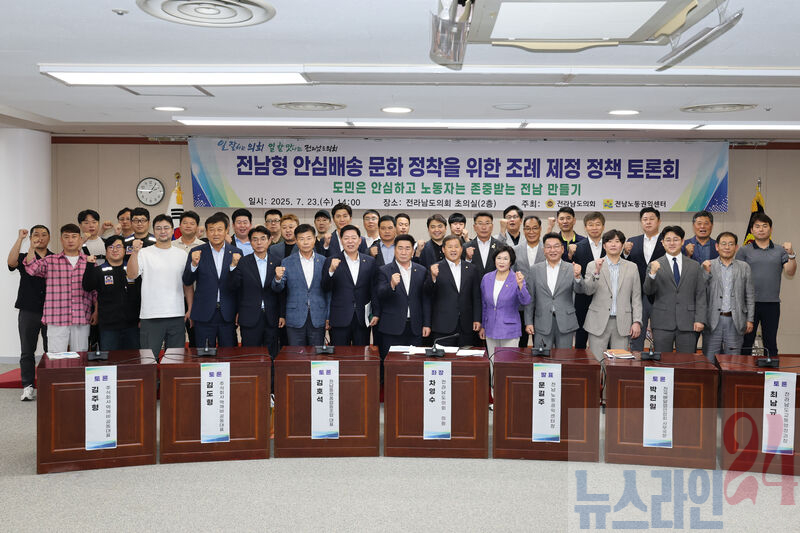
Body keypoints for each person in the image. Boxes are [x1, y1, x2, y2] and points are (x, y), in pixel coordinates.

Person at [24, 223, 97, 353]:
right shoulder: (50, 260)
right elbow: (31, 268)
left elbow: (95, 291)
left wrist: (96, 311)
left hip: (81, 316)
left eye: (74, 236)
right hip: (56, 317)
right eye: (66, 237)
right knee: (56, 358)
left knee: (80, 357)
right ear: (61, 240)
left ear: (80, 239)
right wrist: (32, 248)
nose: (70, 240)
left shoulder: (89, 261)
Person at [127, 215, 192, 359]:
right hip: (151, 316)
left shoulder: (182, 254)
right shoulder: (144, 253)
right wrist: (135, 252)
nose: (163, 231)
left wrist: (190, 308)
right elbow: (131, 274)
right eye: (158, 228)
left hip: (176, 315)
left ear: (173, 230)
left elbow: (187, 284)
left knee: (175, 360)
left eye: (166, 228)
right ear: (154, 231)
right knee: (148, 360)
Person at [575, 230, 642, 361]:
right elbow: (588, 291)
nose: (613, 244)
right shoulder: (593, 265)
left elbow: (636, 297)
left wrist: (637, 321)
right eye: (609, 241)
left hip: (622, 322)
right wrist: (597, 272)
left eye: (617, 241)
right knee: (596, 362)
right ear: (604, 245)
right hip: (597, 321)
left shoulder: (632, 267)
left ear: (622, 245)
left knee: (620, 364)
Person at [736, 212, 796, 357]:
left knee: (770, 343)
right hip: (748, 304)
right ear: (752, 230)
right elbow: (737, 276)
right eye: (757, 226)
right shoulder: (744, 250)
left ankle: (771, 370)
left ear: (771, 229)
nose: (761, 229)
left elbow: (790, 271)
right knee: (746, 342)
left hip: (771, 303)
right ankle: (743, 371)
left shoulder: (780, 250)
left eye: (765, 226)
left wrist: (791, 254)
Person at [643, 226, 706, 353]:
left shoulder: (694, 266)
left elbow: (700, 294)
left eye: (676, 239)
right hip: (662, 323)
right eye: (668, 240)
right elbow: (648, 291)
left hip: (688, 323)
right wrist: (652, 274)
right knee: (662, 361)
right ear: (662, 243)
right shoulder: (654, 264)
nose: (672, 243)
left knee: (687, 362)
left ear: (682, 242)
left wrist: (700, 319)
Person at [183, 212, 242, 348]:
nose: (216, 233)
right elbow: (187, 280)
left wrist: (239, 310)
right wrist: (194, 265)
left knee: (228, 355)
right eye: (212, 230)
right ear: (206, 232)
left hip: (228, 314)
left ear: (227, 231)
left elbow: (239, 285)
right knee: (205, 355)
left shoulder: (236, 253)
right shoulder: (197, 252)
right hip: (204, 313)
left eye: (219, 229)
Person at [8, 225, 51, 401]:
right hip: (28, 309)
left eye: (44, 234)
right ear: (31, 238)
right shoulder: (24, 257)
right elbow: (11, 263)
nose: (40, 237)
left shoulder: (55, 258)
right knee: (27, 350)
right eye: (36, 235)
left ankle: (48, 384)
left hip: (51, 310)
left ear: (49, 238)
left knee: (51, 350)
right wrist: (21, 239)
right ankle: (28, 386)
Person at [228, 225, 284, 357]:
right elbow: (234, 287)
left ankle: (271, 372)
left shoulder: (277, 262)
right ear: (250, 242)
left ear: (269, 240)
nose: (259, 243)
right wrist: (232, 267)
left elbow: (282, 292)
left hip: (272, 316)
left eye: (263, 239)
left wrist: (282, 314)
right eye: (255, 239)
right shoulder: (243, 262)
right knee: (250, 355)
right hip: (249, 316)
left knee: (272, 354)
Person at [272, 224, 330, 346]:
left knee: (316, 353)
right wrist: (277, 278)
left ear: (314, 239)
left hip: (318, 315)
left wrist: (328, 316)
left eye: (309, 238)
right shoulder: (287, 262)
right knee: (295, 354)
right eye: (301, 239)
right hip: (295, 316)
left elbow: (328, 291)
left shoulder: (324, 261)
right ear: (296, 241)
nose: (306, 242)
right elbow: (278, 288)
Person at [322, 225, 379, 345]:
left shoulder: (370, 261)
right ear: (341, 240)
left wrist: (376, 313)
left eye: (353, 238)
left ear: (360, 240)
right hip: (339, 317)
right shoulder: (331, 261)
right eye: (346, 238)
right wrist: (331, 270)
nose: (350, 241)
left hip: (362, 318)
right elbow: (325, 287)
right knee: (340, 353)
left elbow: (373, 290)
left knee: (361, 353)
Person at [702, 232, 754, 359]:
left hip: (735, 320)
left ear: (736, 247)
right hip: (713, 320)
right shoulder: (708, 265)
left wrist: (750, 319)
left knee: (733, 360)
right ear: (717, 247)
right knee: (710, 359)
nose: (727, 247)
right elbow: (700, 292)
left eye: (731, 244)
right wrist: (706, 273)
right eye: (723, 244)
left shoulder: (744, 267)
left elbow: (750, 295)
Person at [82, 235, 139, 350]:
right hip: (108, 327)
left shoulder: (132, 269)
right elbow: (87, 287)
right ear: (106, 251)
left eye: (118, 247)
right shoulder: (99, 270)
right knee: (110, 359)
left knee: (133, 359)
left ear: (124, 250)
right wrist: (89, 265)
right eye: (111, 247)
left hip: (132, 325)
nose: (115, 250)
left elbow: (140, 295)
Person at [424, 235, 481, 347]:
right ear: (443, 249)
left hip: (466, 325)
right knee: (443, 357)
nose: (453, 250)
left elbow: (476, 297)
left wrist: (477, 319)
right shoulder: (435, 268)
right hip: (443, 326)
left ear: (462, 249)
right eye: (450, 247)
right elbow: (427, 294)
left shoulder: (471, 269)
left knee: (466, 356)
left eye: (456, 246)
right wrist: (433, 278)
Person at [376, 234, 427, 357]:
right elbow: (379, 295)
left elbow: (425, 300)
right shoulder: (384, 270)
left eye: (407, 248)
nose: (403, 252)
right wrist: (391, 285)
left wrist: (427, 324)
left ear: (413, 251)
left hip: (415, 327)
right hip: (392, 327)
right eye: (400, 248)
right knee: (391, 363)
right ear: (395, 250)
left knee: (415, 363)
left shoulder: (422, 270)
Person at [528, 233, 581, 349]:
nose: (552, 250)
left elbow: (580, 290)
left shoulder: (571, 268)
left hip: (565, 321)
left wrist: (577, 277)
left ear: (562, 249)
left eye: (556, 246)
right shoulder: (534, 269)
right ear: (544, 250)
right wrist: (528, 322)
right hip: (542, 321)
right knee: (541, 357)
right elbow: (530, 298)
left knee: (564, 357)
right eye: (548, 247)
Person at [622, 207, 665, 351]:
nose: (648, 222)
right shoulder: (632, 242)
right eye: (645, 219)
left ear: (659, 221)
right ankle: (636, 361)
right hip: (638, 294)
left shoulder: (667, 241)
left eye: (652, 219)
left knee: (661, 337)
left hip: (661, 294)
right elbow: (624, 265)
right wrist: (625, 253)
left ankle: (660, 362)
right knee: (636, 334)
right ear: (641, 222)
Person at [479, 244, 531, 359]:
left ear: (511, 262)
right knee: (493, 364)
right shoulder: (487, 278)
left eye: (505, 259)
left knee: (507, 365)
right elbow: (484, 305)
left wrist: (521, 285)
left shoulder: (516, 278)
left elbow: (526, 301)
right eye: (499, 258)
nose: (501, 262)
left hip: (509, 330)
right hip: (490, 328)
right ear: (494, 260)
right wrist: (483, 326)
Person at [569, 212, 607, 350]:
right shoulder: (577, 247)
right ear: (585, 227)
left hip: (605, 297)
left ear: (603, 226)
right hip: (583, 297)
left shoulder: (610, 245)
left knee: (605, 335)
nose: (594, 228)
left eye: (597, 224)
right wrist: (570, 254)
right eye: (590, 225)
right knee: (581, 335)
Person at [513, 215, 544, 347]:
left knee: (542, 345)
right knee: (520, 345)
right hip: (520, 305)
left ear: (540, 229)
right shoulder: (515, 250)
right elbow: (511, 277)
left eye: (535, 228)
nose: (531, 232)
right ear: (523, 230)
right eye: (527, 228)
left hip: (542, 304)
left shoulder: (548, 249)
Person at [465, 211, 502, 276]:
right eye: (480, 223)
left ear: (492, 226)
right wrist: (468, 259)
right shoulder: (466, 247)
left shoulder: (501, 246)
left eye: (487, 223)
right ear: (474, 227)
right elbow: (462, 271)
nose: (484, 227)